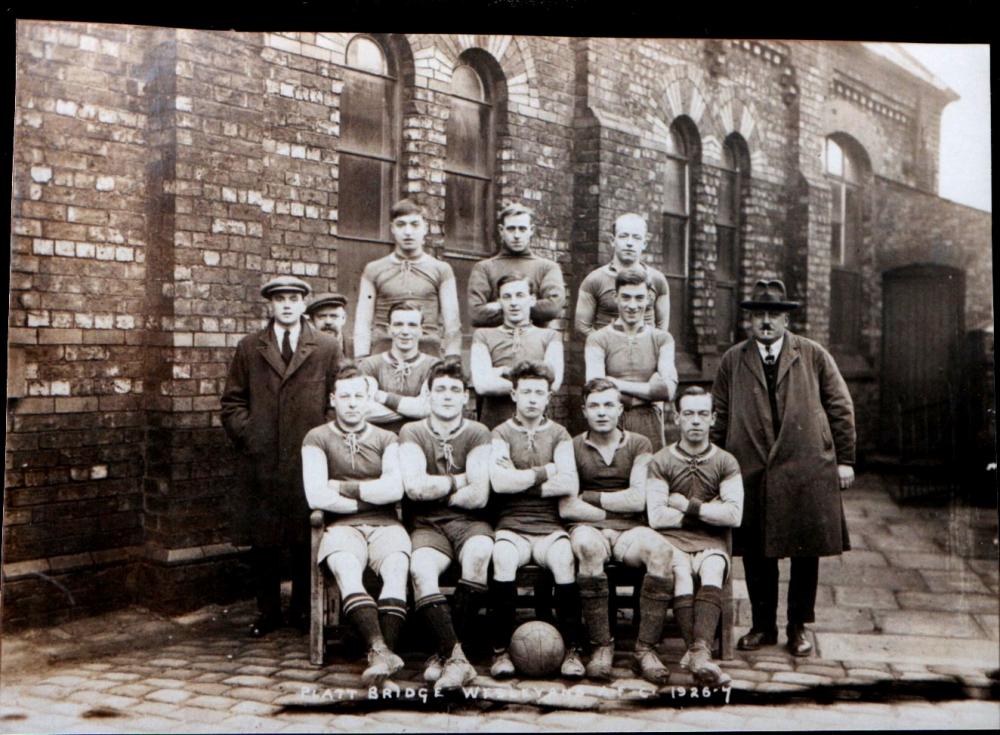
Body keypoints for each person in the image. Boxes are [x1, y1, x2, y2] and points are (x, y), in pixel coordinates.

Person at [711, 279, 855, 657]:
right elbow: (720, 416)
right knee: (758, 552)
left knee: (805, 551)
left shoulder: (813, 355)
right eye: (759, 315)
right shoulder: (733, 360)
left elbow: (840, 407)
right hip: (752, 467)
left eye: (774, 315)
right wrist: (713, 465)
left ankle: (797, 626)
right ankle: (763, 626)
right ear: (750, 321)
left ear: (786, 319)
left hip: (806, 467)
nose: (766, 322)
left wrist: (846, 460)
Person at [221, 276, 342, 638]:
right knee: (265, 541)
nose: (287, 305)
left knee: (307, 536)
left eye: (294, 298)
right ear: (269, 306)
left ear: (304, 304)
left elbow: (338, 400)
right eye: (280, 299)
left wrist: (325, 440)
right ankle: (267, 611)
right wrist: (251, 434)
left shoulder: (325, 347)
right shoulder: (249, 347)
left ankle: (303, 611)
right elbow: (232, 402)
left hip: (308, 458)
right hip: (263, 460)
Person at [487, 360, 602, 680]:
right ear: (514, 395)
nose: (533, 399)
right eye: (526, 392)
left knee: (565, 560)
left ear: (549, 397)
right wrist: (545, 471)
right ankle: (500, 651)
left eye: (540, 392)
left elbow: (568, 484)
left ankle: (572, 650)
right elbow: (499, 483)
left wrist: (520, 480)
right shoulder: (500, 433)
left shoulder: (560, 433)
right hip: (512, 526)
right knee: (503, 558)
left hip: (550, 527)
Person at [301, 364, 411, 687]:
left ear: (368, 401)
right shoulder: (316, 438)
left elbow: (395, 490)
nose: (352, 403)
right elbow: (315, 495)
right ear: (333, 399)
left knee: (395, 570)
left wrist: (342, 488)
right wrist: (368, 496)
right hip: (340, 527)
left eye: (358, 396)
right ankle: (379, 650)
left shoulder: (387, 438)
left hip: (386, 524)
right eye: (345, 396)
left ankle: (382, 654)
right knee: (347, 570)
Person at [568, 378, 679, 684]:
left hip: (630, 528)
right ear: (584, 411)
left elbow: (638, 498)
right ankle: (602, 646)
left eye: (608, 405)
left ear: (620, 409)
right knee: (588, 548)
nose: (601, 412)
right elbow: (568, 507)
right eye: (594, 406)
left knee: (661, 551)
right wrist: (609, 507)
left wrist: (589, 497)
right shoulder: (572, 446)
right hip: (587, 527)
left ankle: (645, 650)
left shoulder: (640, 443)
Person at [398, 359, 494, 692]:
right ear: (428, 394)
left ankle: (446, 656)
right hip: (427, 525)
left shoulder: (478, 432)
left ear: (466, 397)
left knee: (480, 554)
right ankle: (457, 658)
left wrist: (439, 489)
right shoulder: (412, 431)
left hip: (471, 524)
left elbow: (480, 496)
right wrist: (460, 481)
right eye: (440, 389)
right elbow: (414, 489)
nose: (448, 396)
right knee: (421, 570)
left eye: (455, 390)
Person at [646, 386, 744, 687]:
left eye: (703, 414)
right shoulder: (661, 460)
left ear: (713, 418)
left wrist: (688, 506)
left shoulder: (726, 461)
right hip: (672, 544)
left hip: (711, 543)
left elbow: (733, 515)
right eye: (688, 413)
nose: (696, 421)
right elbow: (657, 517)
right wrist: (707, 512)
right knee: (682, 573)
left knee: (713, 567)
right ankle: (700, 653)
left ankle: (697, 653)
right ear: (677, 418)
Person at [354, 199, 461, 358]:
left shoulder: (441, 269)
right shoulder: (373, 269)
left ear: (425, 227)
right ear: (392, 228)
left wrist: (453, 359)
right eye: (401, 224)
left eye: (415, 224)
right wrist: (361, 358)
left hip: (427, 354)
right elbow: (363, 321)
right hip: (384, 354)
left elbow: (452, 323)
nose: (408, 232)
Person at [585, 268, 678, 451]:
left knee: (650, 476)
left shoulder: (662, 339)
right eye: (626, 297)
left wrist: (613, 383)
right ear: (615, 297)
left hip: (650, 425)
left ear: (649, 298)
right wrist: (649, 392)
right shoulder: (597, 339)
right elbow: (596, 391)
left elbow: (667, 391)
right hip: (610, 424)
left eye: (639, 298)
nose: (632, 305)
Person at [470, 273, 563, 429]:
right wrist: (534, 385)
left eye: (520, 295)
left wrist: (500, 372)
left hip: (536, 427)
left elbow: (553, 383)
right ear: (499, 302)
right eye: (507, 297)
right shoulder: (483, 335)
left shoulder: (550, 336)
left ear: (532, 299)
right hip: (494, 425)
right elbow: (482, 385)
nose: (513, 303)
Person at [467, 203, 566, 328]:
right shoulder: (484, 268)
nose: (517, 235)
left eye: (522, 229)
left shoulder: (547, 268)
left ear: (531, 230)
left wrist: (499, 305)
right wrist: (528, 304)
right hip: (495, 344)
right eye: (511, 229)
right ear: (501, 230)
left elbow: (553, 308)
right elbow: (476, 314)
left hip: (535, 344)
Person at [575, 213, 671, 337]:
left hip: (645, 353)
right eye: (623, 236)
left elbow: (662, 329)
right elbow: (582, 326)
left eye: (636, 237)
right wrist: (609, 348)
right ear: (612, 240)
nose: (629, 243)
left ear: (644, 243)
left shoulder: (657, 280)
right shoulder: (594, 280)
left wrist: (647, 348)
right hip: (607, 354)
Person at [359, 302, 437, 434]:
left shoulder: (434, 366)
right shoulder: (369, 365)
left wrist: (384, 398)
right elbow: (362, 410)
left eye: (412, 325)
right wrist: (416, 408)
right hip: (378, 440)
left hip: (420, 439)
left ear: (421, 330)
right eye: (398, 324)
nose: (405, 331)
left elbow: (431, 409)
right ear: (389, 329)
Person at [307, 292, 349, 356]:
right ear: (312, 321)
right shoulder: (303, 349)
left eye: (334, 316)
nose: (328, 322)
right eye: (322, 316)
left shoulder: (357, 348)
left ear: (344, 318)